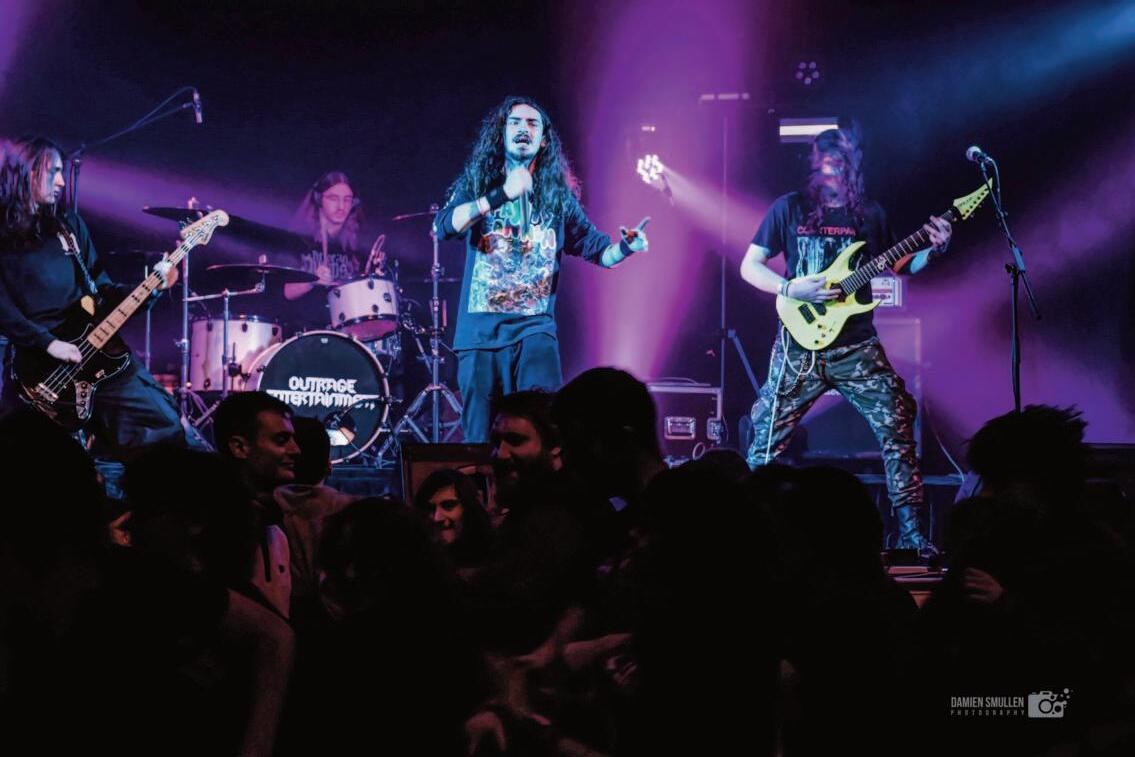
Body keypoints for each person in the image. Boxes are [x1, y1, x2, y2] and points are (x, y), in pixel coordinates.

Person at [739, 127, 952, 552]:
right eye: (822, 157)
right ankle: (749, 533)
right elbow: (750, 266)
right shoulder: (789, 208)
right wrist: (789, 288)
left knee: (897, 424)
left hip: (855, 347)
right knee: (764, 439)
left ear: (851, 164)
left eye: (837, 158)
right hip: (799, 347)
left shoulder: (870, 214)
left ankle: (911, 535)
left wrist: (934, 250)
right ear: (813, 162)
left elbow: (900, 265)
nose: (829, 165)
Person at [435, 96, 649, 442]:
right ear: (501, 135)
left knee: (543, 431)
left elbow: (599, 251)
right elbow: (444, 226)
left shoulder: (557, 196)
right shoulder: (477, 184)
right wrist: (500, 194)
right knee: (480, 439)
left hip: (534, 332)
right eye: (516, 122)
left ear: (544, 140)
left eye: (532, 124)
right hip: (480, 336)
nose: (524, 129)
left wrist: (625, 247)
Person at [0, 135, 204, 460]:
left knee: (164, 428)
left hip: (98, 354)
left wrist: (152, 286)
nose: (61, 181)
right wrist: (46, 343)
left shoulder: (68, 225)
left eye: (61, 172)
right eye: (53, 172)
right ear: (26, 171)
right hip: (37, 365)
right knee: (36, 460)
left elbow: (103, 293)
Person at [284, 170, 388, 332]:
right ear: (319, 199)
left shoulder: (356, 244)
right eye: (333, 198)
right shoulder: (299, 239)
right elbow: (286, 292)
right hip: (305, 331)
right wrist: (312, 281)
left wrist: (375, 275)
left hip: (345, 331)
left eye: (347, 200)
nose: (341, 206)